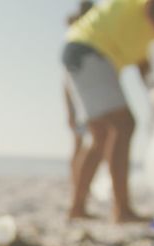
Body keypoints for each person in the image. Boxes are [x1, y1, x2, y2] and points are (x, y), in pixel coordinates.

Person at [62, 0, 154, 223]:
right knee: (123, 125)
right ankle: (121, 210)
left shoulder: (153, 28)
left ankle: (77, 207)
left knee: (101, 135)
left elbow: (144, 67)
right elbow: (153, 10)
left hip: (81, 49)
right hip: (89, 49)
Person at [63, 1, 96, 191]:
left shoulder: (78, 36)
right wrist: (69, 109)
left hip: (84, 94)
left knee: (82, 142)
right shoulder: (79, 39)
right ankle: (77, 184)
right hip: (80, 95)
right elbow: (66, 82)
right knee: (83, 141)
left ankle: (79, 184)